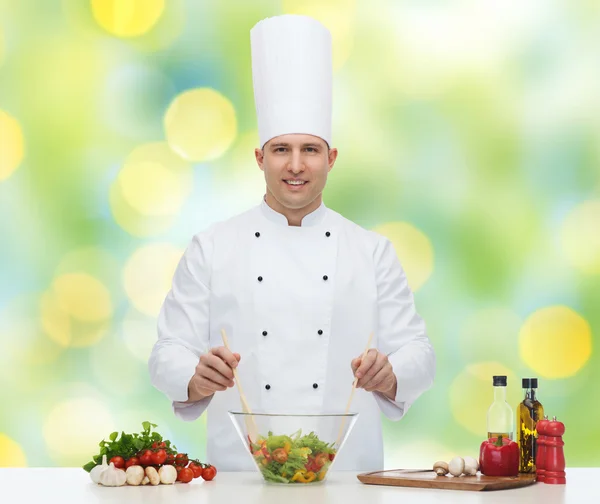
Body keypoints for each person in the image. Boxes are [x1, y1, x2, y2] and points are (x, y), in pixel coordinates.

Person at [148, 14, 435, 472]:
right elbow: (167, 352)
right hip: (242, 479)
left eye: (310, 150)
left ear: (332, 158)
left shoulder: (372, 251)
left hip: (348, 478)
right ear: (260, 157)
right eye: (282, 149)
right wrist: (193, 377)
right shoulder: (212, 247)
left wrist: (393, 373)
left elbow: (420, 352)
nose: (296, 165)